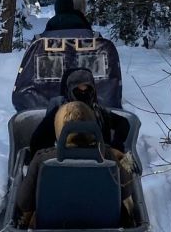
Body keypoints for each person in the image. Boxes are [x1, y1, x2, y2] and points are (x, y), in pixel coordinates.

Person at [15, 101, 133, 229]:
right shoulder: (107, 156)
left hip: (51, 226)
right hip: (103, 226)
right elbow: (126, 190)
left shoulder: (43, 159)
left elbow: (24, 202)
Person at [28, 67, 131, 155]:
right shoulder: (60, 112)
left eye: (87, 90)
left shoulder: (99, 112)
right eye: (78, 91)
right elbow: (37, 141)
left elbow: (123, 123)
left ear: (93, 91)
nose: (83, 94)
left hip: (98, 163)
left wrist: (116, 145)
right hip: (65, 162)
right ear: (70, 91)